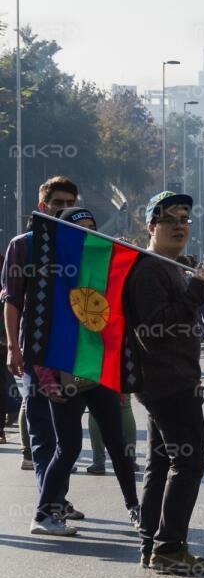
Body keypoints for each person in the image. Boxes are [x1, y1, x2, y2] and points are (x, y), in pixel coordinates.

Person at [27, 208, 141, 536]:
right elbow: (39, 333)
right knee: (69, 447)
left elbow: (115, 324)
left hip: (98, 374)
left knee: (118, 445)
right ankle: (44, 514)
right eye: (83, 229)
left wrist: (119, 377)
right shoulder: (50, 275)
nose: (92, 234)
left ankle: (134, 508)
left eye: (95, 227)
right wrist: (47, 380)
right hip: (63, 376)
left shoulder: (102, 272)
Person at [124, 192, 204, 572]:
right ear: (150, 227)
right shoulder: (149, 269)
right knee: (190, 463)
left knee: (161, 464)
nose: (180, 225)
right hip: (168, 382)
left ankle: (152, 545)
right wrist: (196, 290)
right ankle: (169, 548)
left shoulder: (171, 266)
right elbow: (154, 329)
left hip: (173, 380)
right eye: (169, 219)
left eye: (185, 218)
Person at [3, 176, 84, 527]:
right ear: (43, 207)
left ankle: (55, 499)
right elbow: (11, 300)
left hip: (71, 354)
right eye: (58, 203)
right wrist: (13, 347)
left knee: (67, 436)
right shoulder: (23, 246)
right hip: (35, 353)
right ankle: (51, 504)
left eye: (70, 204)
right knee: (42, 431)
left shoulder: (83, 246)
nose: (64, 209)